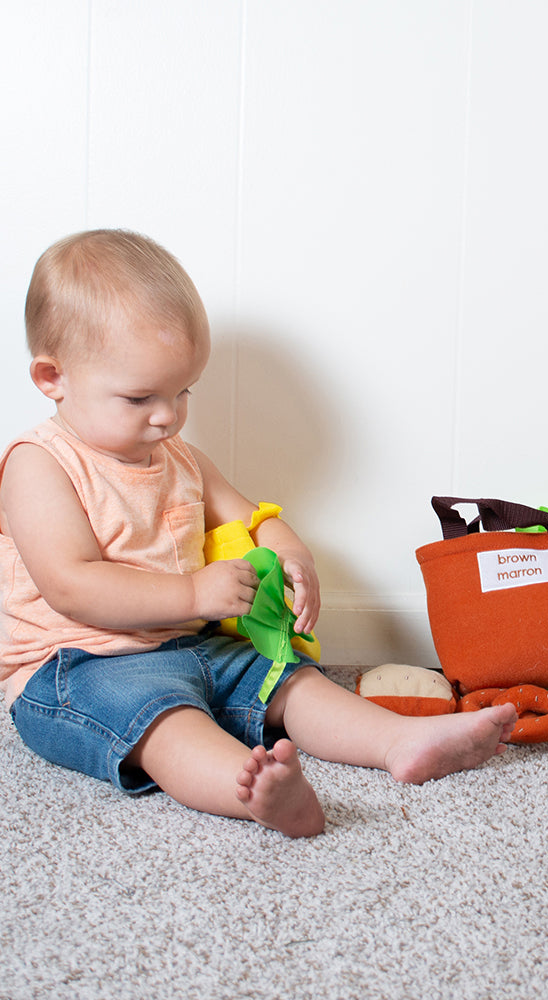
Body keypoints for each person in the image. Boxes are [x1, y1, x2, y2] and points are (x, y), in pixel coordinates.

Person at [0, 229, 516, 838]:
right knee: (165, 723)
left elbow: (253, 517)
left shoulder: (180, 458)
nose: (167, 416)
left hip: (192, 645)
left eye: (182, 391)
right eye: (140, 397)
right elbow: (71, 585)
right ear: (52, 377)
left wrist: (292, 554)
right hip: (80, 664)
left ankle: (399, 741)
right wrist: (194, 595)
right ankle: (251, 792)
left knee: (288, 677)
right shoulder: (40, 465)